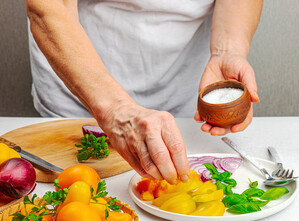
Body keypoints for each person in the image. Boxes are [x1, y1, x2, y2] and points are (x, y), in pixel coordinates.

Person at [26, 0, 263, 183]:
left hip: (185, 85)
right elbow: (48, 6)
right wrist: (113, 108)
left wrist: (227, 52)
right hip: (85, 83)